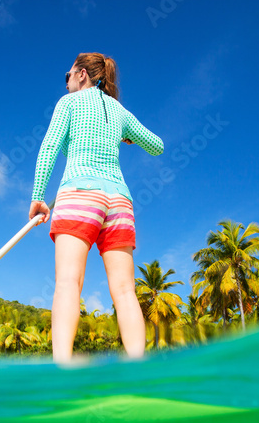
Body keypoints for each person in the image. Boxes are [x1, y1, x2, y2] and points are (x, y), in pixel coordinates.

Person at [29, 53, 164, 364]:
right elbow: (156, 145)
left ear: (81, 75)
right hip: (119, 201)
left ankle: (62, 369)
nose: (65, 83)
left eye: (67, 75)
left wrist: (38, 196)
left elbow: (50, 145)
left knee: (67, 283)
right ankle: (138, 371)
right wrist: (127, 135)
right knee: (125, 291)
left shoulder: (69, 104)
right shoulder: (119, 111)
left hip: (79, 194)